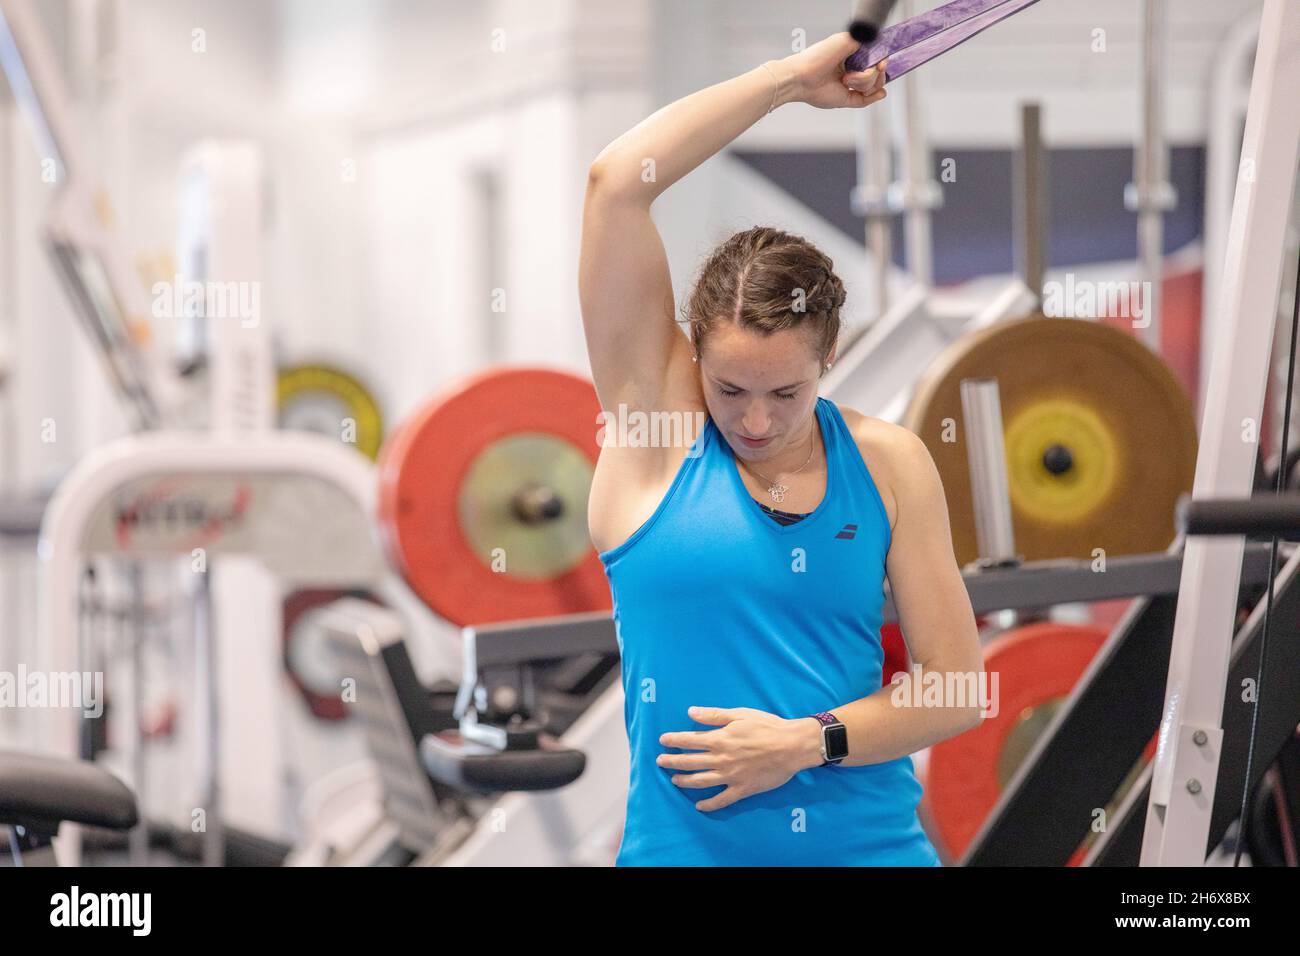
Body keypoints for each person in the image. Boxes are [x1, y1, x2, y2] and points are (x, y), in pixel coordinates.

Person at [579, 32, 982, 866]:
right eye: (730, 391)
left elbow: (957, 688)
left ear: (829, 359)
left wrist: (807, 743)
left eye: (786, 395)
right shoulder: (656, 433)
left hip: (874, 849)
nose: (756, 421)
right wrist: (787, 82)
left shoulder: (888, 462)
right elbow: (616, 185)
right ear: (692, 360)